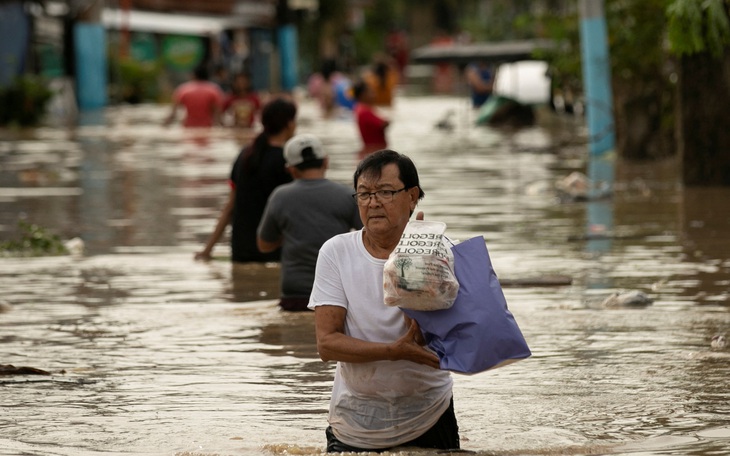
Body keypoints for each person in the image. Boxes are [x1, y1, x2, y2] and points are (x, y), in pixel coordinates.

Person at [308, 150, 459, 452]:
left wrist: (418, 265)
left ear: (412, 196)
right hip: (354, 422)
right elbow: (327, 344)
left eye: (386, 192)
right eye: (364, 194)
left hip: (429, 415)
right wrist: (394, 352)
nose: (373, 202)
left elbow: (465, 336)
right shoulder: (336, 252)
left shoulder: (442, 250)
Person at [256, 134, 363, 311]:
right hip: (336, 291)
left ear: (290, 169)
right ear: (326, 162)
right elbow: (370, 238)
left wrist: (287, 235)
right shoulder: (347, 195)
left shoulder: (280, 197)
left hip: (294, 292)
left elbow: (264, 245)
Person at [194, 98, 297, 263]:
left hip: (241, 249)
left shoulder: (245, 155)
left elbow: (230, 207)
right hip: (274, 250)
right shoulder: (288, 162)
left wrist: (208, 250)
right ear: (289, 124)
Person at [352, 80, 389, 159]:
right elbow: (383, 123)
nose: (374, 94)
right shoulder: (364, 111)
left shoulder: (360, 108)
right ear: (363, 95)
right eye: (371, 92)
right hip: (374, 152)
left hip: (371, 151)